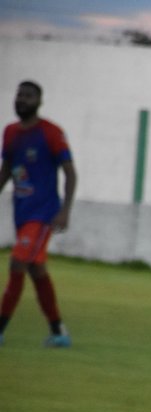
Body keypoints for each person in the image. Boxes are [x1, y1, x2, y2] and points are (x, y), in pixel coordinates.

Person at [0, 80, 76, 347]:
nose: (22, 100)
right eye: (19, 95)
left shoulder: (51, 132)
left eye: (28, 96)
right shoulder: (10, 132)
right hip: (22, 213)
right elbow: (7, 169)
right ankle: (58, 331)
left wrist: (65, 210)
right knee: (36, 270)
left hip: (43, 214)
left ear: (39, 102)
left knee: (17, 262)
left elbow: (70, 172)